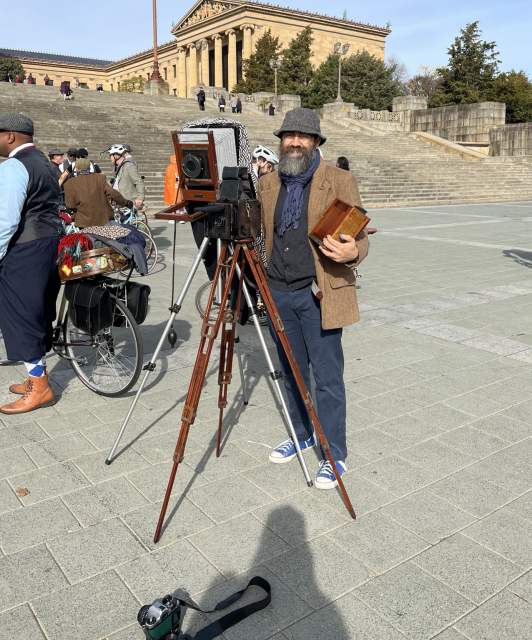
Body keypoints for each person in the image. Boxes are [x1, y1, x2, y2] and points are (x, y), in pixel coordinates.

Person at [256, 108, 369, 489]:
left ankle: (334, 452)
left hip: (318, 292)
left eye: (302, 136)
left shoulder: (339, 179)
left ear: (316, 142)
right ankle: (303, 434)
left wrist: (354, 252)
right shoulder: (269, 183)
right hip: (277, 290)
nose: (294, 141)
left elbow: (361, 233)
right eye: (288, 135)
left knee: (327, 377)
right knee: (291, 369)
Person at [0, 113, 64, 414]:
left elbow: (6, 220)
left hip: (25, 245)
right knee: (38, 311)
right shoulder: (48, 163)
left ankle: (39, 387)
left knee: (20, 313)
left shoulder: (14, 165)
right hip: (51, 241)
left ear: (10, 136)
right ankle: (36, 377)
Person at [63, 158, 133, 228]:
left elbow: (70, 205)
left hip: (84, 222)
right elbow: (112, 193)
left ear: (76, 168)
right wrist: (126, 202)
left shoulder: (69, 183)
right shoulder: (100, 178)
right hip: (103, 219)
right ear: (89, 168)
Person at [107, 143, 145, 208]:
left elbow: (139, 182)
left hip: (127, 202)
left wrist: (140, 198)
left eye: (110, 155)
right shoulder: (117, 167)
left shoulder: (128, 166)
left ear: (115, 156)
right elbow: (113, 182)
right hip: (117, 202)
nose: (110, 158)